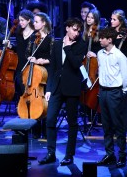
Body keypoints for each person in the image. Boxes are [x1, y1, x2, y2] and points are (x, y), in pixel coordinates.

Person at [38, 17, 87, 166]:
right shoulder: (57, 44)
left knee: (72, 122)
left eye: (79, 30)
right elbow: (53, 68)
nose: (77, 33)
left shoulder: (81, 45)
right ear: (67, 28)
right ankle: (51, 153)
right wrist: (49, 89)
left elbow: (75, 64)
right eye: (74, 29)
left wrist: (68, 48)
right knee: (50, 119)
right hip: (57, 87)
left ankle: (69, 155)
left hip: (72, 88)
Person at [96, 27, 127, 168]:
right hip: (103, 91)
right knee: (106, 125)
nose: (99, 40)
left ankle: (122, 155)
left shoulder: (120, 56)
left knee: (117, 125)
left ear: (109, 39)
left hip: (115, 92)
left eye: (102, 38)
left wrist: (123, 92)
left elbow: (125, 75)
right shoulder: (100, 53)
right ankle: (109, 154)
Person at [30, 12, 54, 139]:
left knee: (45, 100)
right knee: (34, 99)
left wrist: (42, 61)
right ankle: (35, 127)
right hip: (35, 73)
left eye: (36, 21)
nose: (34, 24)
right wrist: (30, 57)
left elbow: (53, 58)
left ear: (44, 23)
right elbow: (27, 53)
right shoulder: (33, 37)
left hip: (46, 72)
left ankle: (45, 129)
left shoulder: (51, 39)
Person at [81, 8, 102, 126]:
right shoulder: (83, 32)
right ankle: (87, 114)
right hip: (85, 63)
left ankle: (97, 115)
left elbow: (102, 49)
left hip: (95, 63)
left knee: (94, 90)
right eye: (88, 17)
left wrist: (95, 54)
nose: (89, 19)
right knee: (85, 89)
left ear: (96, 19)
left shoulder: (99, 32)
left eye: (92, 17)